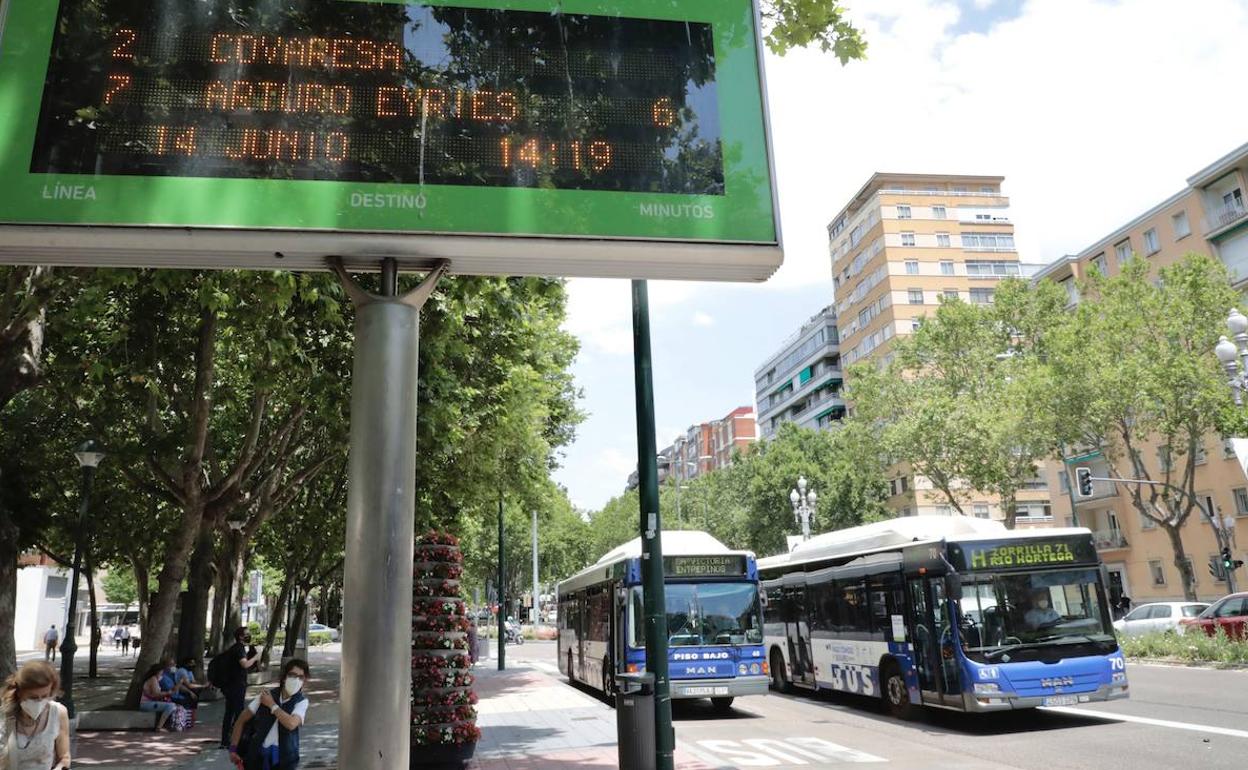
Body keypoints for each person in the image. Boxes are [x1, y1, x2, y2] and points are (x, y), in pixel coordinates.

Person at [228, 658, 310, 770]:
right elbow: (241, 720)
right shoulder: (266, 696)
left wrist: (272, 705)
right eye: (293, 675)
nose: (296, 680)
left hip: (285, 760)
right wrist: (233, 748)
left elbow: (291, 723)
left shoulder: (301, 702)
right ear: (285, 677)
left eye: (300, 677)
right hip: (257, 757)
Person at [0, 661, 71, 770]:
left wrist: (60, 767)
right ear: (19, 693)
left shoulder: (58, 713)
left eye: (45, 696)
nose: (39, 701)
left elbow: (64, 757)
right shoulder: (4, 715)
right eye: (33, 697)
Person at [220, 627, 262, 750]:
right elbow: (245, 664)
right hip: (236, 686)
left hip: (232, 685)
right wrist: (255, 657)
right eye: (247, 634)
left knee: (230, 713)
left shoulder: (236, 648)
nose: (249, 635)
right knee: (239, 713)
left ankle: (226, 740)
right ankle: (239, 739)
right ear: (240, 636)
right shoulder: (239, 649)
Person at [139, 663, 179, 731]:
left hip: (151, 702)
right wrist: (167, 693)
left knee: (174, 705)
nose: (162, 673)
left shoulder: (155, 679)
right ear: (158, 671)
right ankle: (159, 727)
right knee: (171, 706)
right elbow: (156, 694)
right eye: (161, 671)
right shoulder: (153, 679)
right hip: (146, 703)